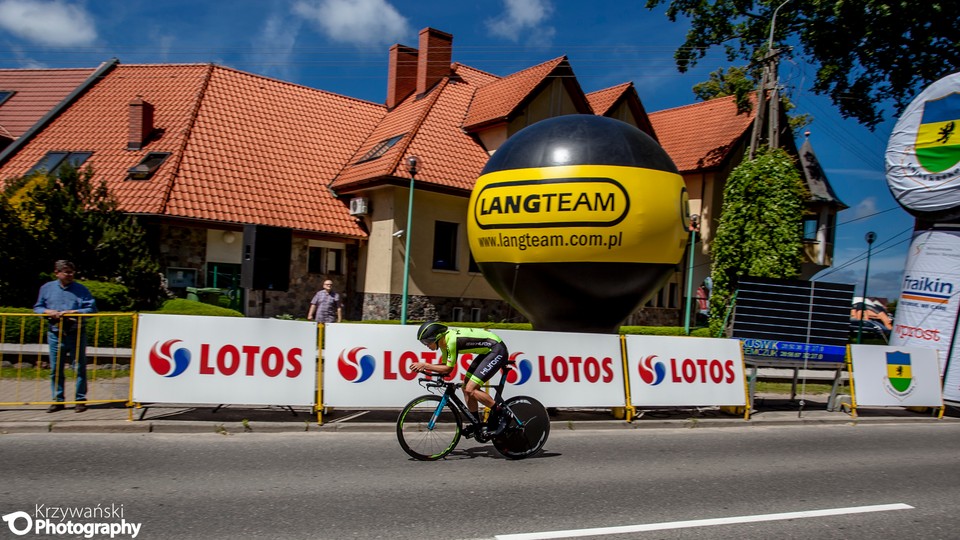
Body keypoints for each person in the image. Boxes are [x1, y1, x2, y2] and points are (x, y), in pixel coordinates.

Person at [411, 322, 509, 437]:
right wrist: (426, 370)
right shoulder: (444, 344)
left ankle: (502, 412)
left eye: (426, 342)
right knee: (465, 387)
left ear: (436, 337)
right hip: (487, 352)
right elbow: (444, 367)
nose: (426, 345)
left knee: (470, 389)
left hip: (497, 349)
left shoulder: (451, 341)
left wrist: (425, 365)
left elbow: (448, 369)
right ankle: (476, 424)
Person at [33, 260, 97, 413]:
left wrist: (76, 313)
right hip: (55, 333)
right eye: (67, 272)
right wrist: (48, 312)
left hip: (76, 332)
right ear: (57, 273)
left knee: (80, 367)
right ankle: (58, 400)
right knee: (56, 368)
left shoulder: (81, 289)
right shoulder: (46, 288)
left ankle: (80, 400)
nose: (70, 275)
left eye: (72, 272)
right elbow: (38, 307)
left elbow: (91, 309)